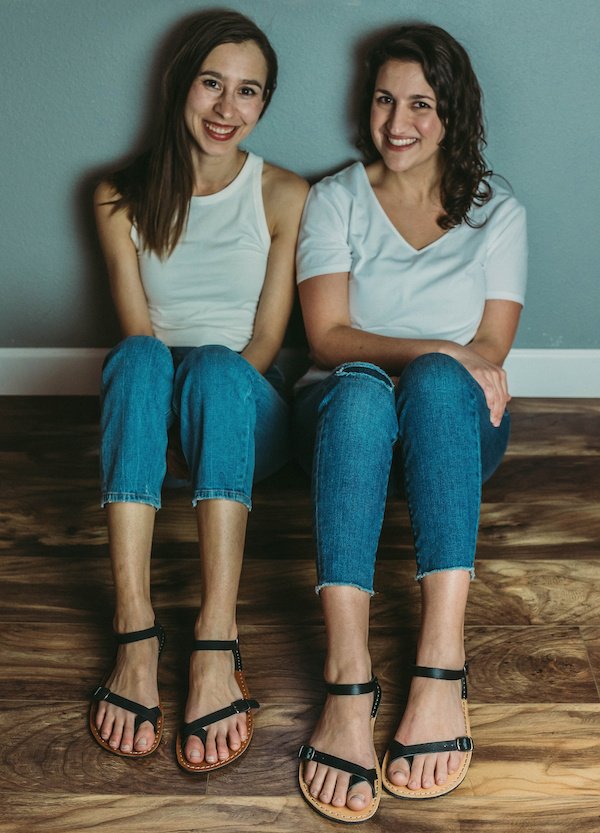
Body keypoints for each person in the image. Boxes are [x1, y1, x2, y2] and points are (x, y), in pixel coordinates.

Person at [294, 22, 527, 822]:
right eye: (386, 100)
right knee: (360, 387)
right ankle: (347, 680)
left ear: (452, 113)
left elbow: (490, 349)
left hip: (454, 424)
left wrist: (443, 361)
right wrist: (439, 344)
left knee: (434, 380)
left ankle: (440, 661)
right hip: (344, 419)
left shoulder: (499, 211)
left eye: (421, 103)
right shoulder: (333, 199)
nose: (399, 122)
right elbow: (327, 337)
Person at [88, 9, 307, 773]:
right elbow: (137, 324)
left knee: (218, 365)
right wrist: (171, 407)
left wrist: (214, 394)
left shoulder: (284, 193)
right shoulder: (118, 194)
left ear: (263, 105)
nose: (226, 108)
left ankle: (217, 637)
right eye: (212, 83)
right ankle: (136, 632)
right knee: (143, 355)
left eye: (248, 92)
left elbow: (267, 342)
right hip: (153, 409)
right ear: (181, 83)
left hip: (244, 406)